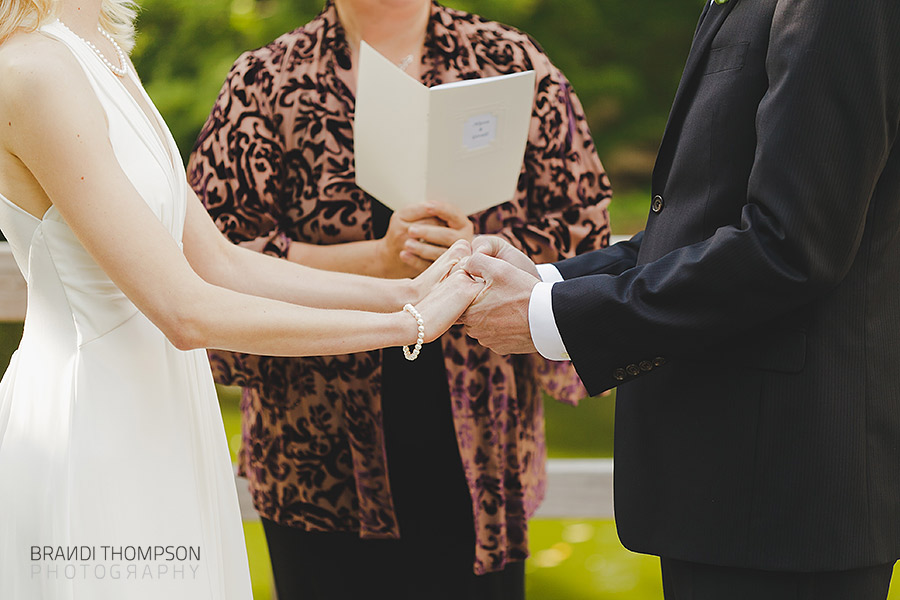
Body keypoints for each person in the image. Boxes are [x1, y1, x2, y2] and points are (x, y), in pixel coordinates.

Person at [0, 1, 481, 598]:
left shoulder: (98, 47)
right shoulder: (33, 70)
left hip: (165, 411)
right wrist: (409, 324)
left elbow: (221, 263)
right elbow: (186, 310)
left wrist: (406, 291)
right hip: (95, 425)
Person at [459, 0, 900, 598]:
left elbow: (788, 245)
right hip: (723, 491)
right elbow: (698, 221)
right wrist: (547, 281)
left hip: (783, 504)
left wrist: (551, 317)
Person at [187, 0, 611, 597]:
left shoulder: (510, 62)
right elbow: (213, 250)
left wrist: (476, 249)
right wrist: (380, 260)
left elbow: (582, 228)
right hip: (316, 443)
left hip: (481, 439)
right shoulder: (265, 80)